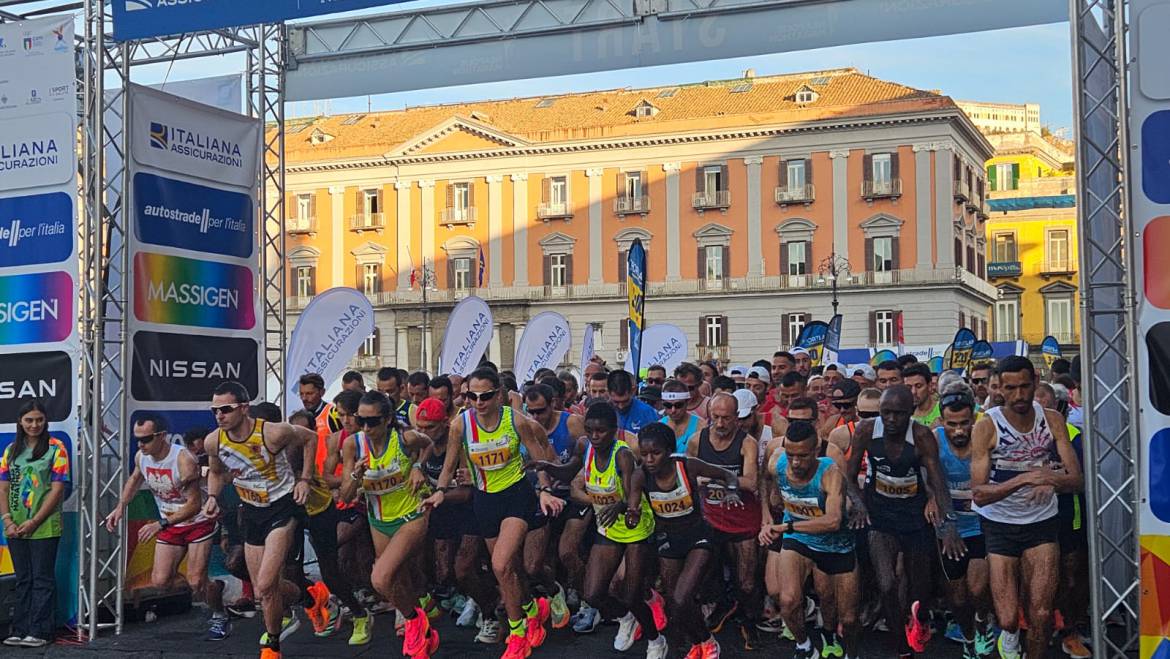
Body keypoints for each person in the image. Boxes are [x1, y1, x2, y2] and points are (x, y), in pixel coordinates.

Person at [420, 367, 564, 659]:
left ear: (499, 394)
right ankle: (530, 608)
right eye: (472, 396)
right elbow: (448, 465)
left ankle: (517, 634)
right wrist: (441, 491)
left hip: (516, 496)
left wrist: (545, 490)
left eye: (485, 395)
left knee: (499, 565)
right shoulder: (461, 425)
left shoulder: (516, 421)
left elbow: (539, 458)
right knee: (508, 572)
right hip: (485, 500)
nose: (479, 402)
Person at [971, 356, 1083, 659]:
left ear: (1034, 383)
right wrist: (1024, 480)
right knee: (1008, 618)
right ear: (999, 390)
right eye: (1010, 388)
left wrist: (1051, 479)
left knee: (1042, 613)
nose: (1019, 396)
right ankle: (1005, 636)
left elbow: (1077, 480)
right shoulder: (987, 425)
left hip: (1041, 523)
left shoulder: (1052, 420)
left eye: (1024, 387)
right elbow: (979, 494)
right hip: (1000, 525)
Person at [534, 403, 667, 658]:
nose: (595, 436)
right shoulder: (584, 446)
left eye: (602, 431)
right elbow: (569, 470)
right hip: (608, 528)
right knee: (593, 594)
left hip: (635, 528)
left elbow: (632, 494)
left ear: (614, 430)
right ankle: (625, 617)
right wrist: (546, 466)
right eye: (591, 430)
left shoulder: (623, 455)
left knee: (630, 594)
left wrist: (619, 506)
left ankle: (655, 639)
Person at [843, 385, 964, 659]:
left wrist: (949, 526)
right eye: (886, 413)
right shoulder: (865, 430)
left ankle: (917, 619)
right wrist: (860, 505)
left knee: (918, 590)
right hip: (881, 518)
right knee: (887, 584)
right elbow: (847, 476)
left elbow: (938, 482)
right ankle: (900, 646)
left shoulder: (921, 437)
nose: (891, 420)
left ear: (910, 413)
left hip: (914, 518)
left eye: (899, 414)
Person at [202, 382, 318, 659]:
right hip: (252, 511)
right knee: (263, 591)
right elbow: (216, 472)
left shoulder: (272, 432)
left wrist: (304, 479)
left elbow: (311, 438)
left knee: (266, 585)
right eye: (215, 410)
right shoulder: (214, 441)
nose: (220, 415)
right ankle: (311, 596)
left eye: (226, 409)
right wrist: (213, 497)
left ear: (243, 408)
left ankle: (272, 646)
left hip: (282, 509)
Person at [106, 413, 229, 641]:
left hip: (198, 521)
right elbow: (134, 479)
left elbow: (194, 505)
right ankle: (212, 586)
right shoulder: (141, 457)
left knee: (195, 581)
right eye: (138, 440)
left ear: (162, 436)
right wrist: (120, 507)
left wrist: (160, 524)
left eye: (146, 439)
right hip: (171, 523)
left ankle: (219, 614)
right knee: (161, 582)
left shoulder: (183, 460)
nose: (141, 444)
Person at [340, 390, 439, 659]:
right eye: (361, 420)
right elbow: (346, 496)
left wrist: (419, 466)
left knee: (380, 578)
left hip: (411, 513)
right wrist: (355, 475)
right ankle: (422, 635)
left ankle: (413, 620)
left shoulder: (404, 438)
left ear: (387, 420)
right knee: (397, 579)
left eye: (372, 422)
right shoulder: (353, 445)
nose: (366, 427)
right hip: (379, 520)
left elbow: (428, 443)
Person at [639, 422, 741, 659]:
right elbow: (632, 501)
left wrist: (732, 490)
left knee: (681, 597)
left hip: (698, 536)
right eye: (644, 454)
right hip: (668, 540)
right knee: (676, 606)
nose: (650, 460)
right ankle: (697, 643)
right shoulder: (641, 475)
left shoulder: (687, 466)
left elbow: (726, 475)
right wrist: (631, 511)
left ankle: (709, 641)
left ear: (669, 451)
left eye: (656, 453)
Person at [760, 420, 859, 659]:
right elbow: (763, 479)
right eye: (791, 454)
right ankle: (804, 646)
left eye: (803, 456)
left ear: (816, 451)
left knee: (848, 618)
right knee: (788, 600)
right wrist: (765, 513)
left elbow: (833, 521)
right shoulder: (777, 461)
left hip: (836, 545)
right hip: (800, 540)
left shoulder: (830, 473)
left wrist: (786, 525)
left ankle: (851, 653)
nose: (795, 462)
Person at [687, 393, 763, 649]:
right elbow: (689, 476)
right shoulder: (698, 440)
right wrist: (725, 480)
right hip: (711, 517)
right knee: (708, 573)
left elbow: (751, 482)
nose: (720, 424)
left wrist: (712, 478)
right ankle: (722, 606)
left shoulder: (747, 443)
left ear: (737, 419)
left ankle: (749, 619)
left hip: (743, 519)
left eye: (726, 418)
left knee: (747, 581)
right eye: (715, 418)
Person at [0, 401, 70, 648]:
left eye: (39, 419)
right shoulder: (10, 450)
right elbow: (4, 487)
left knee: (42, 578)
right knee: (23, 579)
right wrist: (7, 520)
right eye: (29, 420)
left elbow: (58, 489)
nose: (34, 425)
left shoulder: (56, 448)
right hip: (14, 526)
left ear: (45, 421)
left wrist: (35, 521)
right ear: (20, 421)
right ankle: (19, 629)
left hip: (44, 525)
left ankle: (40, 631)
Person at [932, 385, 994, 659]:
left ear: (975, 418)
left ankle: (982, 620)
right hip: (949, 527)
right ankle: (968, 636)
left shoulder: (987, 436)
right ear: (942, 421)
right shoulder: (934, 440)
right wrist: (930, 499)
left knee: (978, 588)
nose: (958, 431)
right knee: (957, 597)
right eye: (951, 424)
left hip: (981, 525)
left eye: (964, 423)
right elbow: (926, 478)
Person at [660, 379, 707, 454]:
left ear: (687, 402)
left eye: (678, 405)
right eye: (668, 405)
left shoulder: (701, 426)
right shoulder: (659, 426)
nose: (673, 410)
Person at [609, 370, 660, 434]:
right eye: (616, 402)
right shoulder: (601, 412)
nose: (621, 406)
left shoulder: (647, 413)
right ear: (609, 393)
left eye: (625, 401)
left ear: (633, 391)